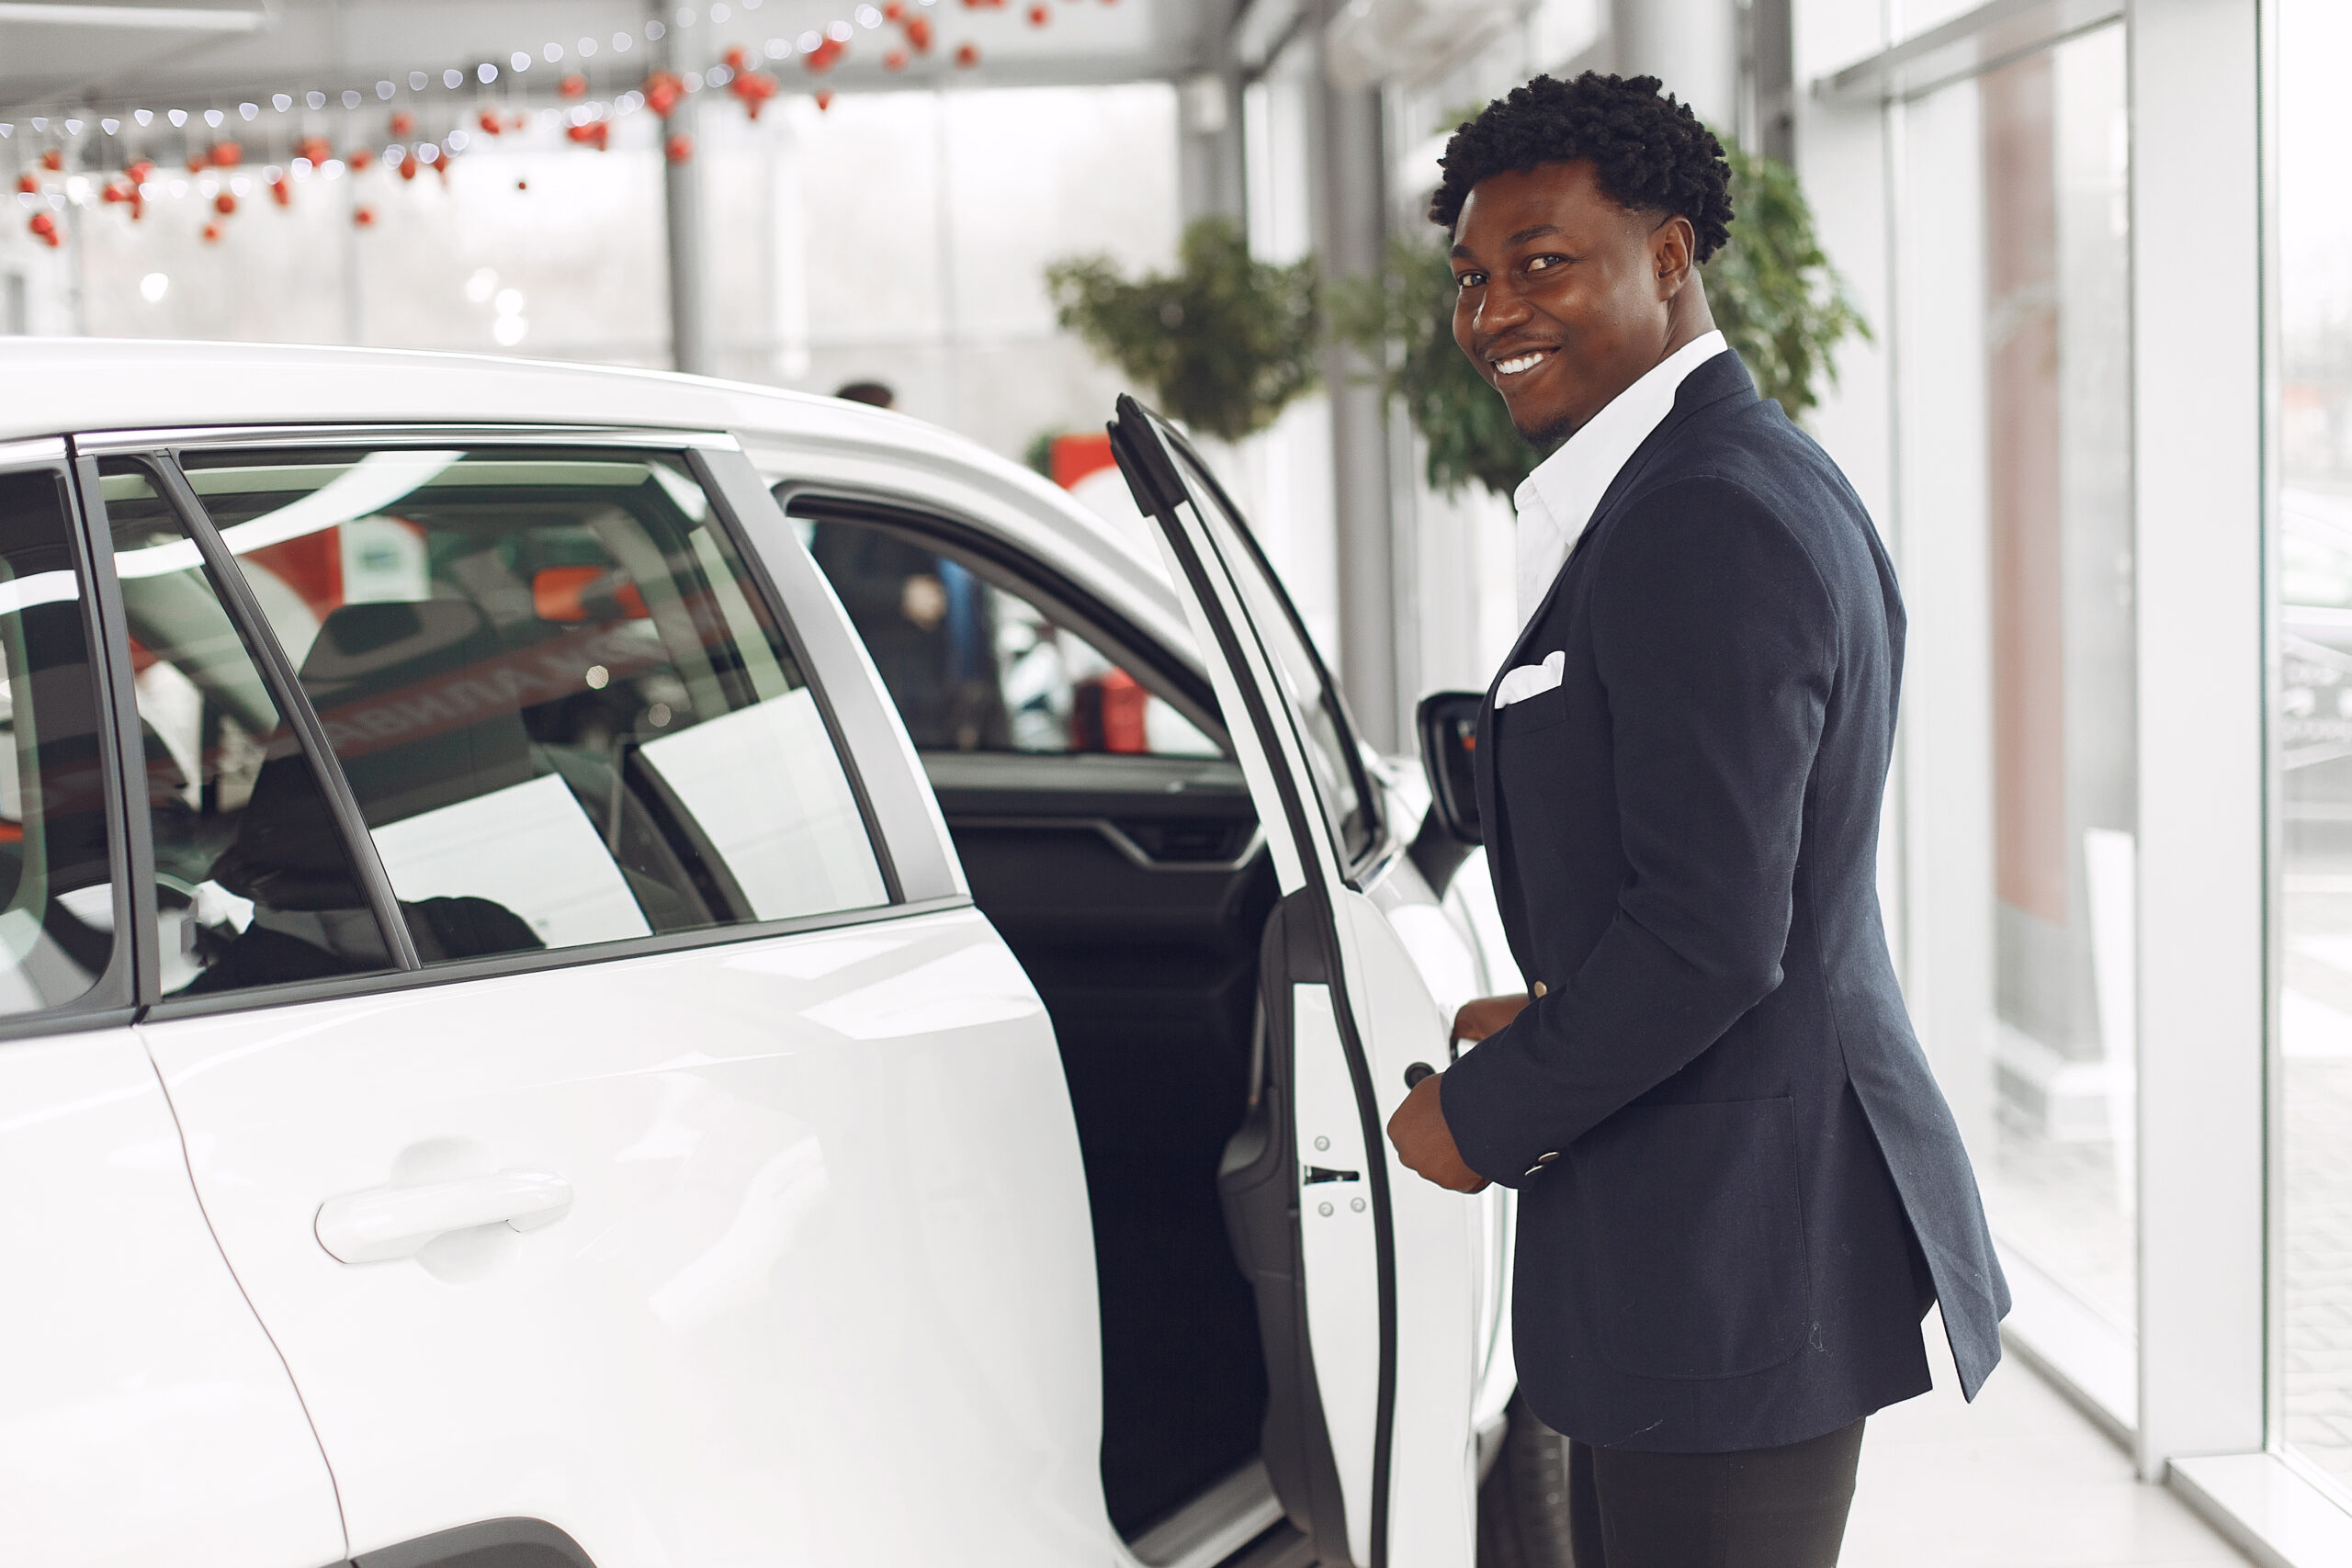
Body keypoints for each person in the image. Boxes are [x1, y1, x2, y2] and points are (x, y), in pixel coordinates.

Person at [1384, 73, 2009, 1568]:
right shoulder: (1680, 487)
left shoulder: (1702, 515)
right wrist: (1538, 1005)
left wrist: (1479, 1117)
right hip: (1690, 1229)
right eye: (1474, 277)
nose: (1494, 312)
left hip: (1733, 1246)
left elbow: (1717, 933)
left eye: (1544, 263)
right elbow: (1704, 871)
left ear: (1671, 257)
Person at [808, 380, 1006, 749]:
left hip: (951, 697)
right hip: (904, 701)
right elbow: (830, 581)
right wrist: (900, 596)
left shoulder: (902, 489)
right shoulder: (845, 501)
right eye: (891, 422)